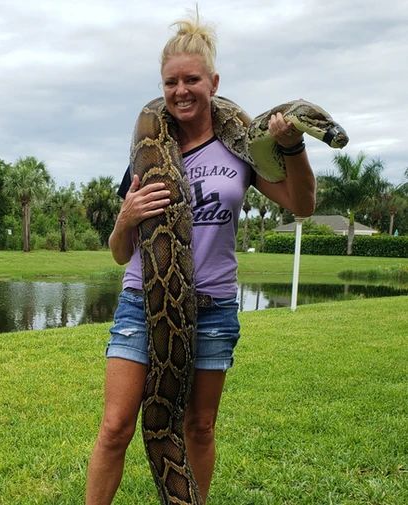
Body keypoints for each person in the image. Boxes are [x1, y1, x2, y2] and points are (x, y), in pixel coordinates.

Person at [85, 15, 315, 505]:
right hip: (140, 303)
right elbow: (119, 253)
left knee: (199, 427)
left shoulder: (244, 145)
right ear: (162, 87)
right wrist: (124, 219)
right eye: (171, 82)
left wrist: (292, 147)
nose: (181, 91)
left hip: (212, 308)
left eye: (192, 80)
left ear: (213, 83)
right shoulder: (148, 149)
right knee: (115, 425)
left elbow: (302, 204)